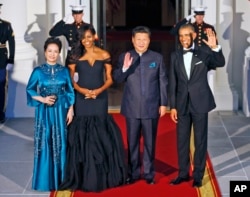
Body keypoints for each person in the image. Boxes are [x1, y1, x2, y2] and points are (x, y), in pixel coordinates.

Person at [59, 24, 126, 192]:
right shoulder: (75, 55)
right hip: (81, 98)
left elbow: (110, 79)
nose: (86, 41)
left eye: (89, 37)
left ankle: (101, 175)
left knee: (100, 131)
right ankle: (83, 175)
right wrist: (83, 91)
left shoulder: (104, 54)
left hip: (99, 98)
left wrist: (98, 91)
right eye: (83, 38)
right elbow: (71, 80)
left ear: (94, 36)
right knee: (82, 132)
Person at [168, 24, 225, 187]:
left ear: (193, 35)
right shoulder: (175, 55)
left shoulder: (204, 51)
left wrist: (215, 47)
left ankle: (198, 175)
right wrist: (172, 106)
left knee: (200, 141)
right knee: (182, 140)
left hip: (200, 102)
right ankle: (183, 173)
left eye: (187, 35)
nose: (183, 39)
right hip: (181, 104)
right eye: (180, 36)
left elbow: (220, 62)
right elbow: (173, 83)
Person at [112, 26, 168, 185]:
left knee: (150, 143)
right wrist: (125, 68)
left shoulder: (157, 58)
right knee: (132, 143)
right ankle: (133, 173)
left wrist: (163, 103)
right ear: (133, 40)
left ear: (149, 40)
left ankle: (149, 174)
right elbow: (117, 78)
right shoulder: (125, 56)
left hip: (151, 107)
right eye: (138, 39)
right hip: (132, 107)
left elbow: (163, 81)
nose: (141, 42)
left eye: (145, 39)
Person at [26, 37, 75, 191]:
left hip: (61, 111)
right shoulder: (38, 71)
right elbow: (30, 89)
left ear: (59, 53)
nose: (52, 54)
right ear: (45, 52)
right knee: (45, 142)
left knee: (61, 142)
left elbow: (70, 91)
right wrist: (43, 99)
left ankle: (62, 179)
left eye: (55, 52)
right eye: (50, 51)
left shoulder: (64, 71)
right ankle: (44, 181)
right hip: (44, 111)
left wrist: (71, 109)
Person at [0, 3, 15, 123]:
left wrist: (11, 59)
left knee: (1, 87)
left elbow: (11, 42)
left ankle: (0, 113)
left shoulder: (6, 25)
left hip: (1, 59)